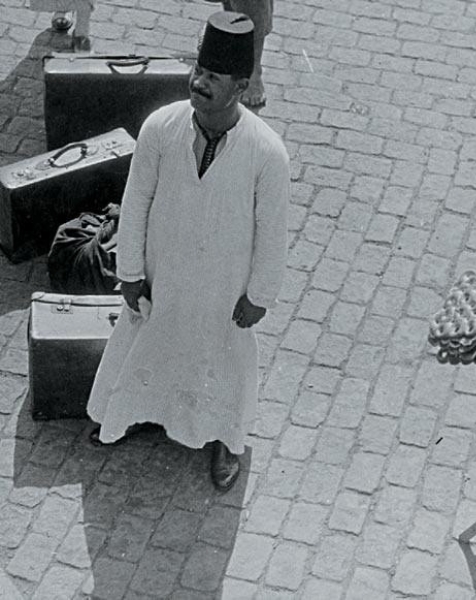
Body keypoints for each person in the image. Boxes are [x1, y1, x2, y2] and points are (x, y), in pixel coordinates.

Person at [86, 11, 290, 492]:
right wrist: (130, 271)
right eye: (197, 71)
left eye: (213, 78)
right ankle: (130, 413)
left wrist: (260, 295)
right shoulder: (161, 127)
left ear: (241, 87)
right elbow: (135, 203)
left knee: (224, 362)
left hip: (225, 290)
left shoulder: (267, 153)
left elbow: (273, 234)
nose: (198, 83)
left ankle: (224, 438)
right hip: (165, 274)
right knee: (147, 344)